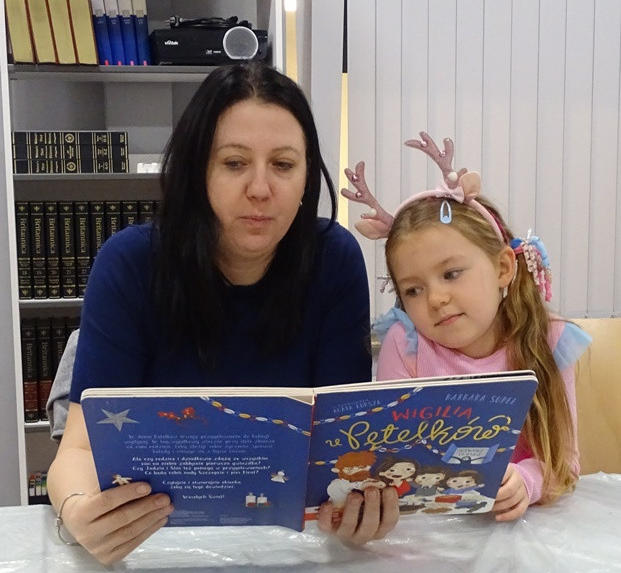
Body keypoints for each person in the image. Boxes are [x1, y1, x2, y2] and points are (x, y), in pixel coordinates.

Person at [46, 62, 399, 565]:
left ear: (306, 177)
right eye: (234, 163)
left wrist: (360, 513)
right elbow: (79, 449)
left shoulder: (334, 260)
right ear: (198, 172)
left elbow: (341, 451)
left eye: (283, 164)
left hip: (290, 550)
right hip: (158, 547)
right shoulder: (130, 263)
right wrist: (80, 512)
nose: (260, 188)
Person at [342, 131, 591, 523]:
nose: (435, 299)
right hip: (430, 532)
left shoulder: (549, 340)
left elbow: (565, 461)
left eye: (452, 273)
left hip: (522, 530)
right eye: (413, 289)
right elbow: (390, 460)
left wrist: (527, 481)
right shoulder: (405, 345)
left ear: (503, 268)